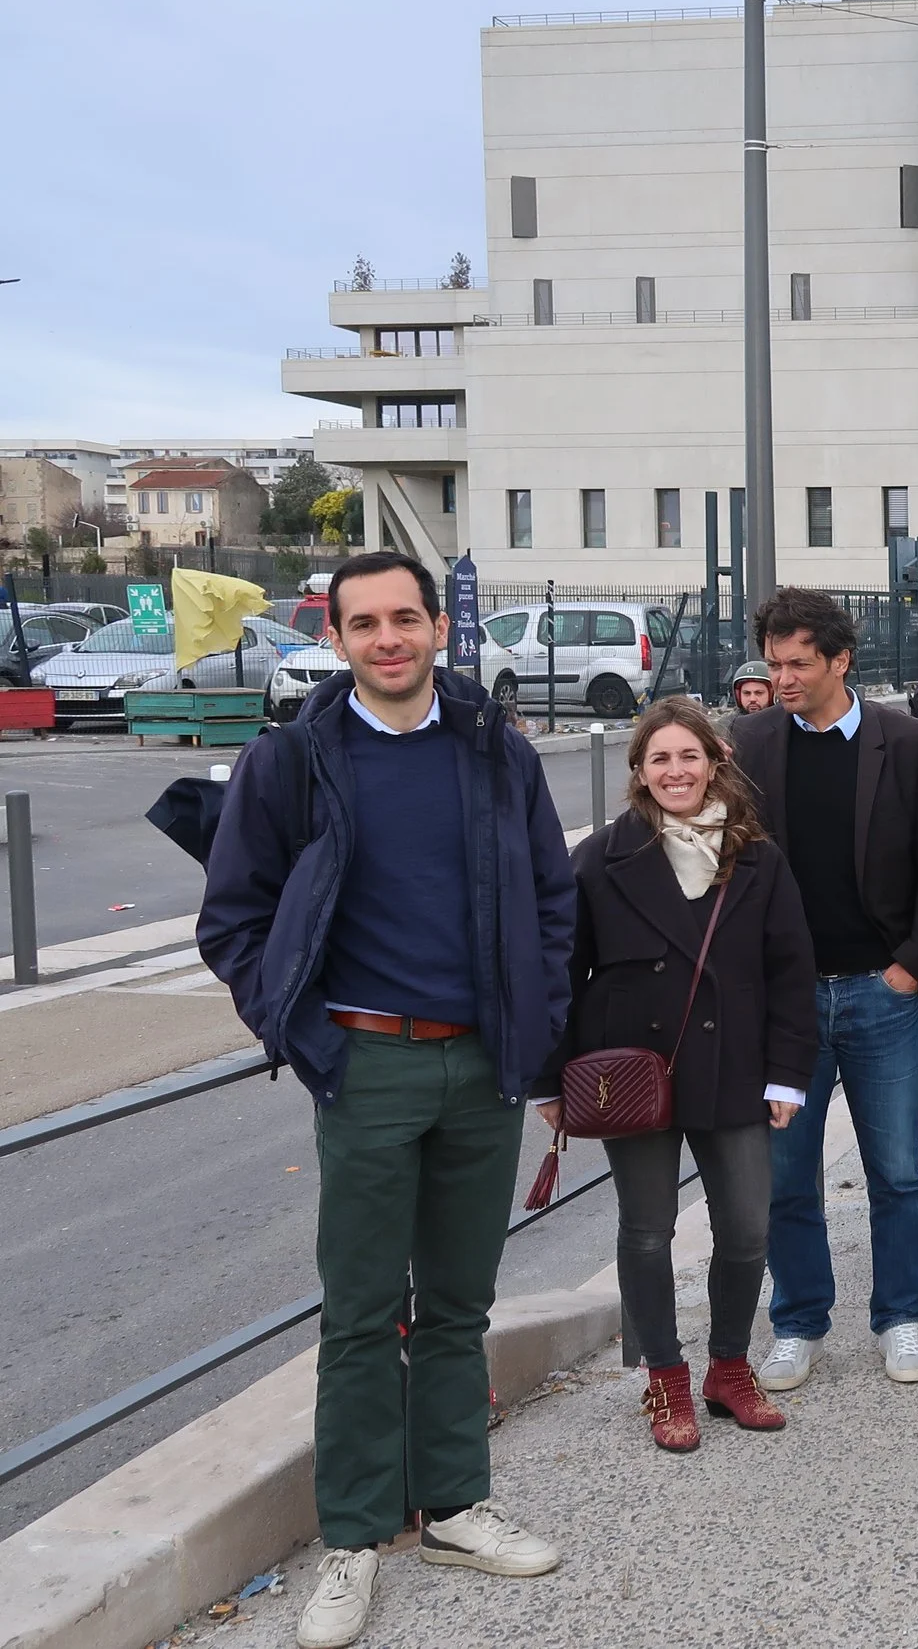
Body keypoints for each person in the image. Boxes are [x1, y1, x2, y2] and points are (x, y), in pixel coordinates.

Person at [197, 551, 571, 1649]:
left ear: (436, 626)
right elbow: (233, 918)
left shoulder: (496, 751)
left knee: (458, 1303)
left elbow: (552, 897)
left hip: (481, 1064)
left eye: (405, 616)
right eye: (365, 621)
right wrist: (303, 1033)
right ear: (339, 632)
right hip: (365, 1063)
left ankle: (454, 1504)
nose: (388, 637)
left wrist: (536, 1027)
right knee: (363, 1312)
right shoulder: (293, 760)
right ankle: (354, 1537)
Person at [539, 697, 815, 1452]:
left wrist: (789, 1075)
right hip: (634, 1075)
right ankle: (664, 1376)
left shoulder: (759, 856)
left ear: (716, 760)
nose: (675, 770)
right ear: (639, 771)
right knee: (648, 1230)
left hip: (736, 1069)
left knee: (749, 1228)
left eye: (688, 756)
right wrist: (549, 1081)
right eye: (659, 758)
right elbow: (558, 970)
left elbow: (792, 973)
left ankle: (730, 1366)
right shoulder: (602, 857)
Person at [729, 588, 918, 1393]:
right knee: (788, 1174)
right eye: (774, 661)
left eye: (799, 662)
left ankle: (902, 1316)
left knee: (899, 1172)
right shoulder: (752, 739)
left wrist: (912, 966)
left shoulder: (906, 743)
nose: (782, 677)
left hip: (881, 994)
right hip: (787, 1003)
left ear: (840, 660)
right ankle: (798, 1322)